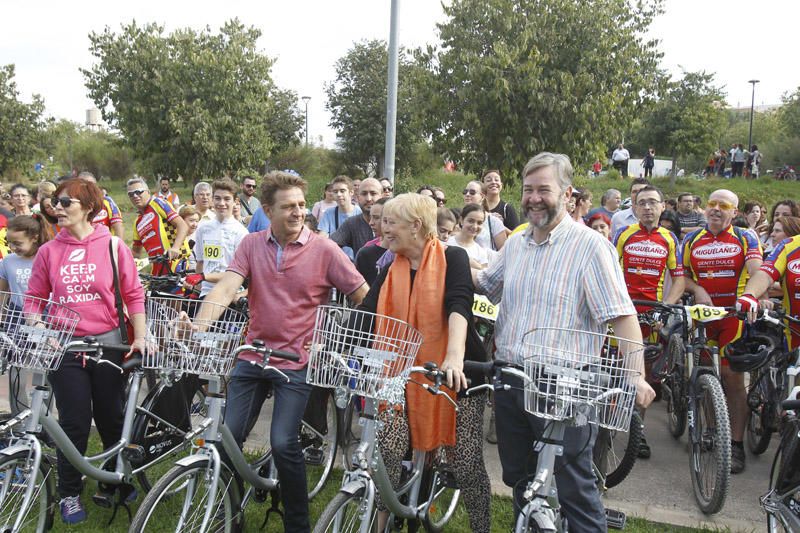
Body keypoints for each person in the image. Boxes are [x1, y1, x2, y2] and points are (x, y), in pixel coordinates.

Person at [473, 152, 653, 531]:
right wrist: (444, 254)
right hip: (512, 380)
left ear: (567, 193)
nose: (534, 198)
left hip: (566, 386)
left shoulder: (590, 246)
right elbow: (486, 286)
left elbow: (620, 316)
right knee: (520, 479)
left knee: (575, 487)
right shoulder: (518, 243)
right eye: (527, 190)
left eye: (544, 190)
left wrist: (635, 375)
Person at [184, 171, 368, 532]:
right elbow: (225, 289)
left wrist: (334, 336)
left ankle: (297, 525)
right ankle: (229, 518)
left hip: (296, 362)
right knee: (227, 440)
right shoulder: (251, 244)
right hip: (252, 355)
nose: (298, 212)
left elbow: (362, 296)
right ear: (267, 210)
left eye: (302, 204)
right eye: (289, 207)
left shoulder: (325, 249)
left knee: (283, 443)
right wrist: (200, 326)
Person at [359, 193, 492, 533]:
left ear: (415, 226)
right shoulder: (393, 266)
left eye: (389, 222)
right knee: (386, 452)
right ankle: (379, 525)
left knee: (464, 463)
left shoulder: (454, 257)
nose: (381, 227)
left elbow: (459, 305)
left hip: (458, 373)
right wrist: (330, 342)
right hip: (403, 372)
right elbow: (366, 314)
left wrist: (453, 356)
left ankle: (481, 527)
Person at [26, 179, 146, 524]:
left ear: (88, 207)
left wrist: (142, 333)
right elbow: (34, 299)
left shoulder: (111, 245)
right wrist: (39, 328)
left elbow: (133, 293)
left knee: (111, 417)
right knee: (74, 424)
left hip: (109, 345)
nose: (57, 208)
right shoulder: (49, 251)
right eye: (55, 202)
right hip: (66, 348)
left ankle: (113, 482)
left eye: (66, 202)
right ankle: (69, 493)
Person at [682, 189, 762, 474]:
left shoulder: (745, 237)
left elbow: (756, 268)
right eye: (712, 203)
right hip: (703, 316)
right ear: (704, 209)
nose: (716, 209)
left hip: (732, 316)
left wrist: (754, 294)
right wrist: (698, 288)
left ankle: (736, 444)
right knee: (704, 374)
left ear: (735, 212)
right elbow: (683, 276)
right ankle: (712, 430)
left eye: (724, 205)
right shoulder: (691, 239)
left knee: (732, 378)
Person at [614, 185, 685, 459]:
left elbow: (678, 277)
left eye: (652, 203)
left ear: (662, 207)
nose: (646, 208)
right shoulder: (624, 234)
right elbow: (609, 268)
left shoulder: (669, 238)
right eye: (641, 203)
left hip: (651, 313)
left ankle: (637, 430)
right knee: (613, 365)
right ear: (634, 208)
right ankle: (604, 427)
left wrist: (666, 305)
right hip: (623, 310)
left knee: (641, 372)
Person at [189, 178, 249, 298]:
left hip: (230, 295)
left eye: (227, 199)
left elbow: (238, 274)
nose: (221, 203)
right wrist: (198, 289)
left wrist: (203, 277)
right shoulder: (203, 229)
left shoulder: (241, 232)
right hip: (206, 293)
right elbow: (200, 262)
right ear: (212, 200)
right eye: (217, 198)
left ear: (235, 201)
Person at [127, 177, 190, 275]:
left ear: (148, 192)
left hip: (175, 262)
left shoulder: (157, 203)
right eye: (131, 194)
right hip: (157, 268)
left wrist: (175, 247)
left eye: (138, 192)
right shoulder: (137, 222)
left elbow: (182, 225)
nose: (135, 196)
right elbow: (136, 253)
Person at [330, 177, 382, 259]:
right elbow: (329, 246)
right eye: (364, 194)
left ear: (382, 196)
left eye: (373, 193)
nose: (368, 199)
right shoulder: (352, 223)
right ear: (358, 198)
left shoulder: (393, 223)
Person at [448, 203, 497, 269]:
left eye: (479, 223)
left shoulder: (481, 252)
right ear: (461, 220)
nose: (475, 226)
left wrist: (476, 266)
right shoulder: (447, 242)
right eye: (471, 221)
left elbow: (484, 275)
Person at [77, 172, 125, 238]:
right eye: (84, 185)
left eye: (91, 184)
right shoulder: (74, 204)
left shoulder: (107, 201)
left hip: (105, 243)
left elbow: (118, 226)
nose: (89, 187)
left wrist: (118, 246)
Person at [463, 180, 507, 250]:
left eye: (472, 192)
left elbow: (503, 252)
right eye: (465, 192)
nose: (467, 194)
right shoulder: (458, 217)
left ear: (482, 197)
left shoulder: (493, 221)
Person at [354, 197, 389, 285]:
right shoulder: (366, 253)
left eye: (376, 218)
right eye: (371, 217)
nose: (371, 223)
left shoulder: (408, 252)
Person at [179, 205, 200, 271]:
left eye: (197, 221)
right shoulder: (174, 237)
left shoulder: (200, 237)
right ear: (182, 220)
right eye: (191, 220)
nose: (195, 224)